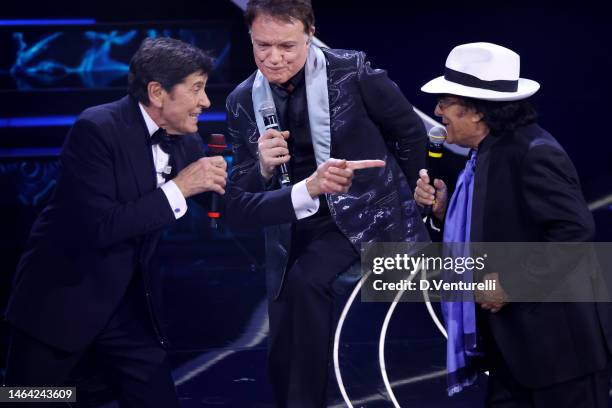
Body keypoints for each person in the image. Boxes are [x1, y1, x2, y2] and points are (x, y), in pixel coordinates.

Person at [225, 0, 429, 406]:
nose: (274, 58)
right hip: (291, 222)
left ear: (310, 33)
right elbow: (241, 190)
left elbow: (409, 132)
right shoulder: (242, 99)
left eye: (287, 46)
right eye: (262, 45)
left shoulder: (350, 71)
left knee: (306, 282)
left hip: (365, 212)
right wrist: (263, 167)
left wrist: (411, 201)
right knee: (282, 342)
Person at [3, 37, 227, 407]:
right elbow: (100, 227)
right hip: (61, 298)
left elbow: (234, 206)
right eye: (197, 89)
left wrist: (289, 181)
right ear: (157, 92)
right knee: (28, 399)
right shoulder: (96, 128)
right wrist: (178, 188)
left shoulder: (185, 140)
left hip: (126, 309)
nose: (205, 101)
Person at [415, 42, 611, 407]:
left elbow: (573, 231)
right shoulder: (488, 152)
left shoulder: (534, 153)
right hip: (513, 351)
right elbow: (498, 224)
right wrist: (445, 213)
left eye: (445, 101)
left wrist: (510, 283)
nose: (437, 110)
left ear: (476, 112)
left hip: (560, 357)